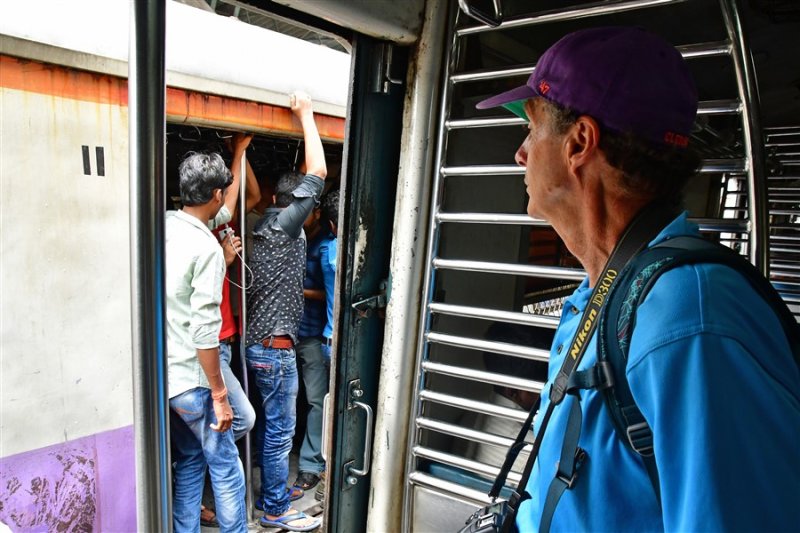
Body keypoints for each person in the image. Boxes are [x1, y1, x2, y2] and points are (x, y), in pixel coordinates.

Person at [476, 26, 800, 532]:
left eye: (532, 129)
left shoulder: (690, 321)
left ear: (579, 142)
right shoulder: (607, 292)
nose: (520, 153)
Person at [246, 91, 326, 532]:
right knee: (279, 434)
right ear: (292, 201)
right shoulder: (283, 225)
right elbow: (318, 171)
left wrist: (240, 152)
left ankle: (267, 492)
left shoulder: (261, 224)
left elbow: (256, 194)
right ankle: (275, 509)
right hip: (276, 351)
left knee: (267, 429)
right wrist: (306, 115)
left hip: (259, 347)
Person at [165, 151, 246, 532]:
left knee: (190, 462)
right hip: (196, 383)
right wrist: (218, 393)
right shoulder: (209, 249)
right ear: (216, 194)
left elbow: (222, 213)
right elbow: (203, 332)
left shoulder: (164, 225)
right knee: (227, 470)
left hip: (167, 380)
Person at [293, 202, 330, 493]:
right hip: (293, 333)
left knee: (317, 401)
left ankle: (311, 464)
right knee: (297, 399)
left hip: (314, 334)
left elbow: (331, 292)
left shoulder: (326, 247)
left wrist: (295, 288)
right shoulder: (296, 238)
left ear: (317, 213)